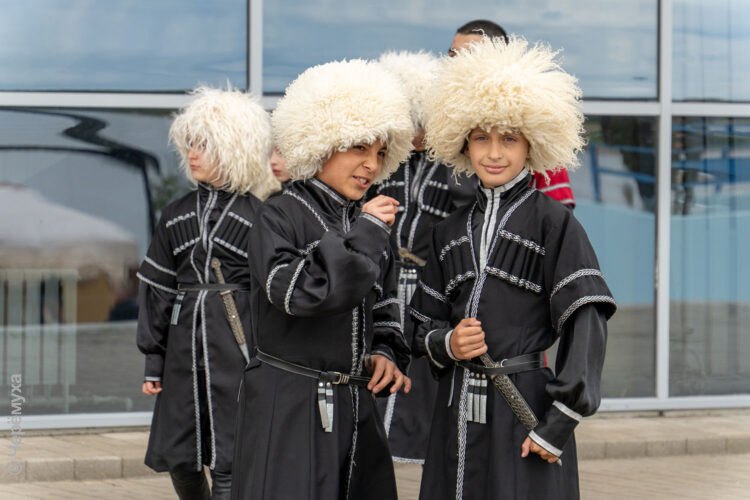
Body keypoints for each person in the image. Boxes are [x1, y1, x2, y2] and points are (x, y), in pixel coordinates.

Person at [410, 37, 616, 499]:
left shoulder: (554, 222)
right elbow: (419, 325)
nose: (494, 153)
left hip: (525, 412)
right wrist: (447, 342)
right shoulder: (446, 231)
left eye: (509, 139)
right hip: (454, 412)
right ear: (463, 142)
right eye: (481, 138)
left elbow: (587, 319)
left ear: (532, 143)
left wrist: (558, 422)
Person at [231, 59, 415, 500]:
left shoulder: (367, 220)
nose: (371, 165)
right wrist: (365, 234)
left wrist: (385, 351)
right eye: (359, 148)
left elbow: (386, 304)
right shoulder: (278, 215)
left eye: (380, 153)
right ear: (321, 142)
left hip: (356, 409)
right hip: (288, 406)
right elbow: (300, 294)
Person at [136, 86, 277, 500]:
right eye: (191, 145)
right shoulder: (175, 213)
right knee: (179, 456)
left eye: (205, 145)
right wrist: (154, 359)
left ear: (233, 148)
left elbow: (272, 292)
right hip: (182, 351)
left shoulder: (260, 216)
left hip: (237, 348)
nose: (193, 154)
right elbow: (157, 288)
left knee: (229, 454)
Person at [370, 50, 454, 463]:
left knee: (423, 391)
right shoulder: (383, 166)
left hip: (428, 289)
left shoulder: (454, 169)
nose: (416, 130)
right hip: (384, 282)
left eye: (422, 120)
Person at [449, 19, 577, 209]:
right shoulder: (440, 129)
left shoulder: (535, 122)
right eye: (453, 55)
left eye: (469, 55)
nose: (456, 65)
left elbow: (557, 218)